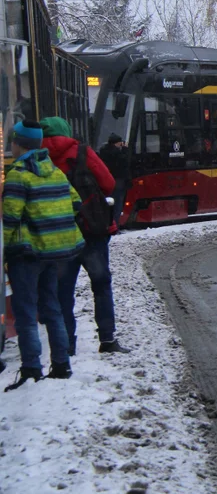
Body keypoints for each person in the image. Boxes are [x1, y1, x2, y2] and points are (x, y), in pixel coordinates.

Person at [3, 121, 84, 391]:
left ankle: (31, 369)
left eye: (12, 141)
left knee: (26, 312)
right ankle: (61, 364)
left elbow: (10, 218)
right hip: (55, 252)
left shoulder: (18, 174)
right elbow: (75, 202)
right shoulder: (55, 172)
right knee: (52, 307)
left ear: (19, 144)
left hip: (26, 254)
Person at [40, 117, 128, 356]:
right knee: (100, 284)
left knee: (62, 291)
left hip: (59, 233)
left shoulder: (37, 156)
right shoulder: (80, 152)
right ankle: (107, 339)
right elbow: (108, 184)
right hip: (92, 230)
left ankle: (66, 343)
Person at [98, 134, 131, 227]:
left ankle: (108, 224)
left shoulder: (103, 151)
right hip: (119, 181)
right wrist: (125, 150)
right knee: (118, 204)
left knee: (109, 203)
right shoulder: (117, 153)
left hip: (107, 180)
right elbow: (125, 163)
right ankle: (115, 225)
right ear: (117, 143)